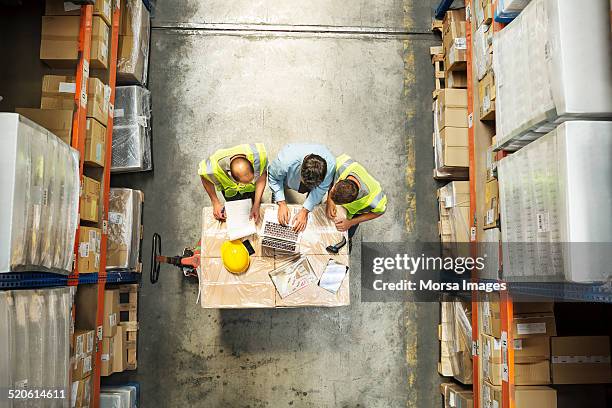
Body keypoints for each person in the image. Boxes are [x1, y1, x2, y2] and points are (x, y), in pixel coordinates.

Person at [268, 143, 335, 232]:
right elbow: (273, 178)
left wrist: (305, 211)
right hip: (288, 177)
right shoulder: (284, 162)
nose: (307, 187)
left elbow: (321, 189)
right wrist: (281, 203)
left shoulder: (330, 166)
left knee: (315, 200)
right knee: (280, 187)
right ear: (300, 171)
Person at [199, 143, 267, 222]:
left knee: (254, 196)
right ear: (233, 178)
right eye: (244, 183)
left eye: (251, 180)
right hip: (230, 191)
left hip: (252, 191)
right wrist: (215, 202)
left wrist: (256, 204)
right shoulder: (211, 168)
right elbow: (204, 177)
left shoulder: (258, 157)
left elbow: (261, 177)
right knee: (234, 204)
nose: (249, 184)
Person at [326, 154, 387, 240]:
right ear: (339, 180)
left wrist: (350, 222)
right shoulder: (342, 164)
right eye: (333, 190)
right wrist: (329, 200)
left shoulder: (375, 200)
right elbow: (329, 179)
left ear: (350, 202)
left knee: (347, 234)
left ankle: (349, 239)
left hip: (353, 216)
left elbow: (379, 212)